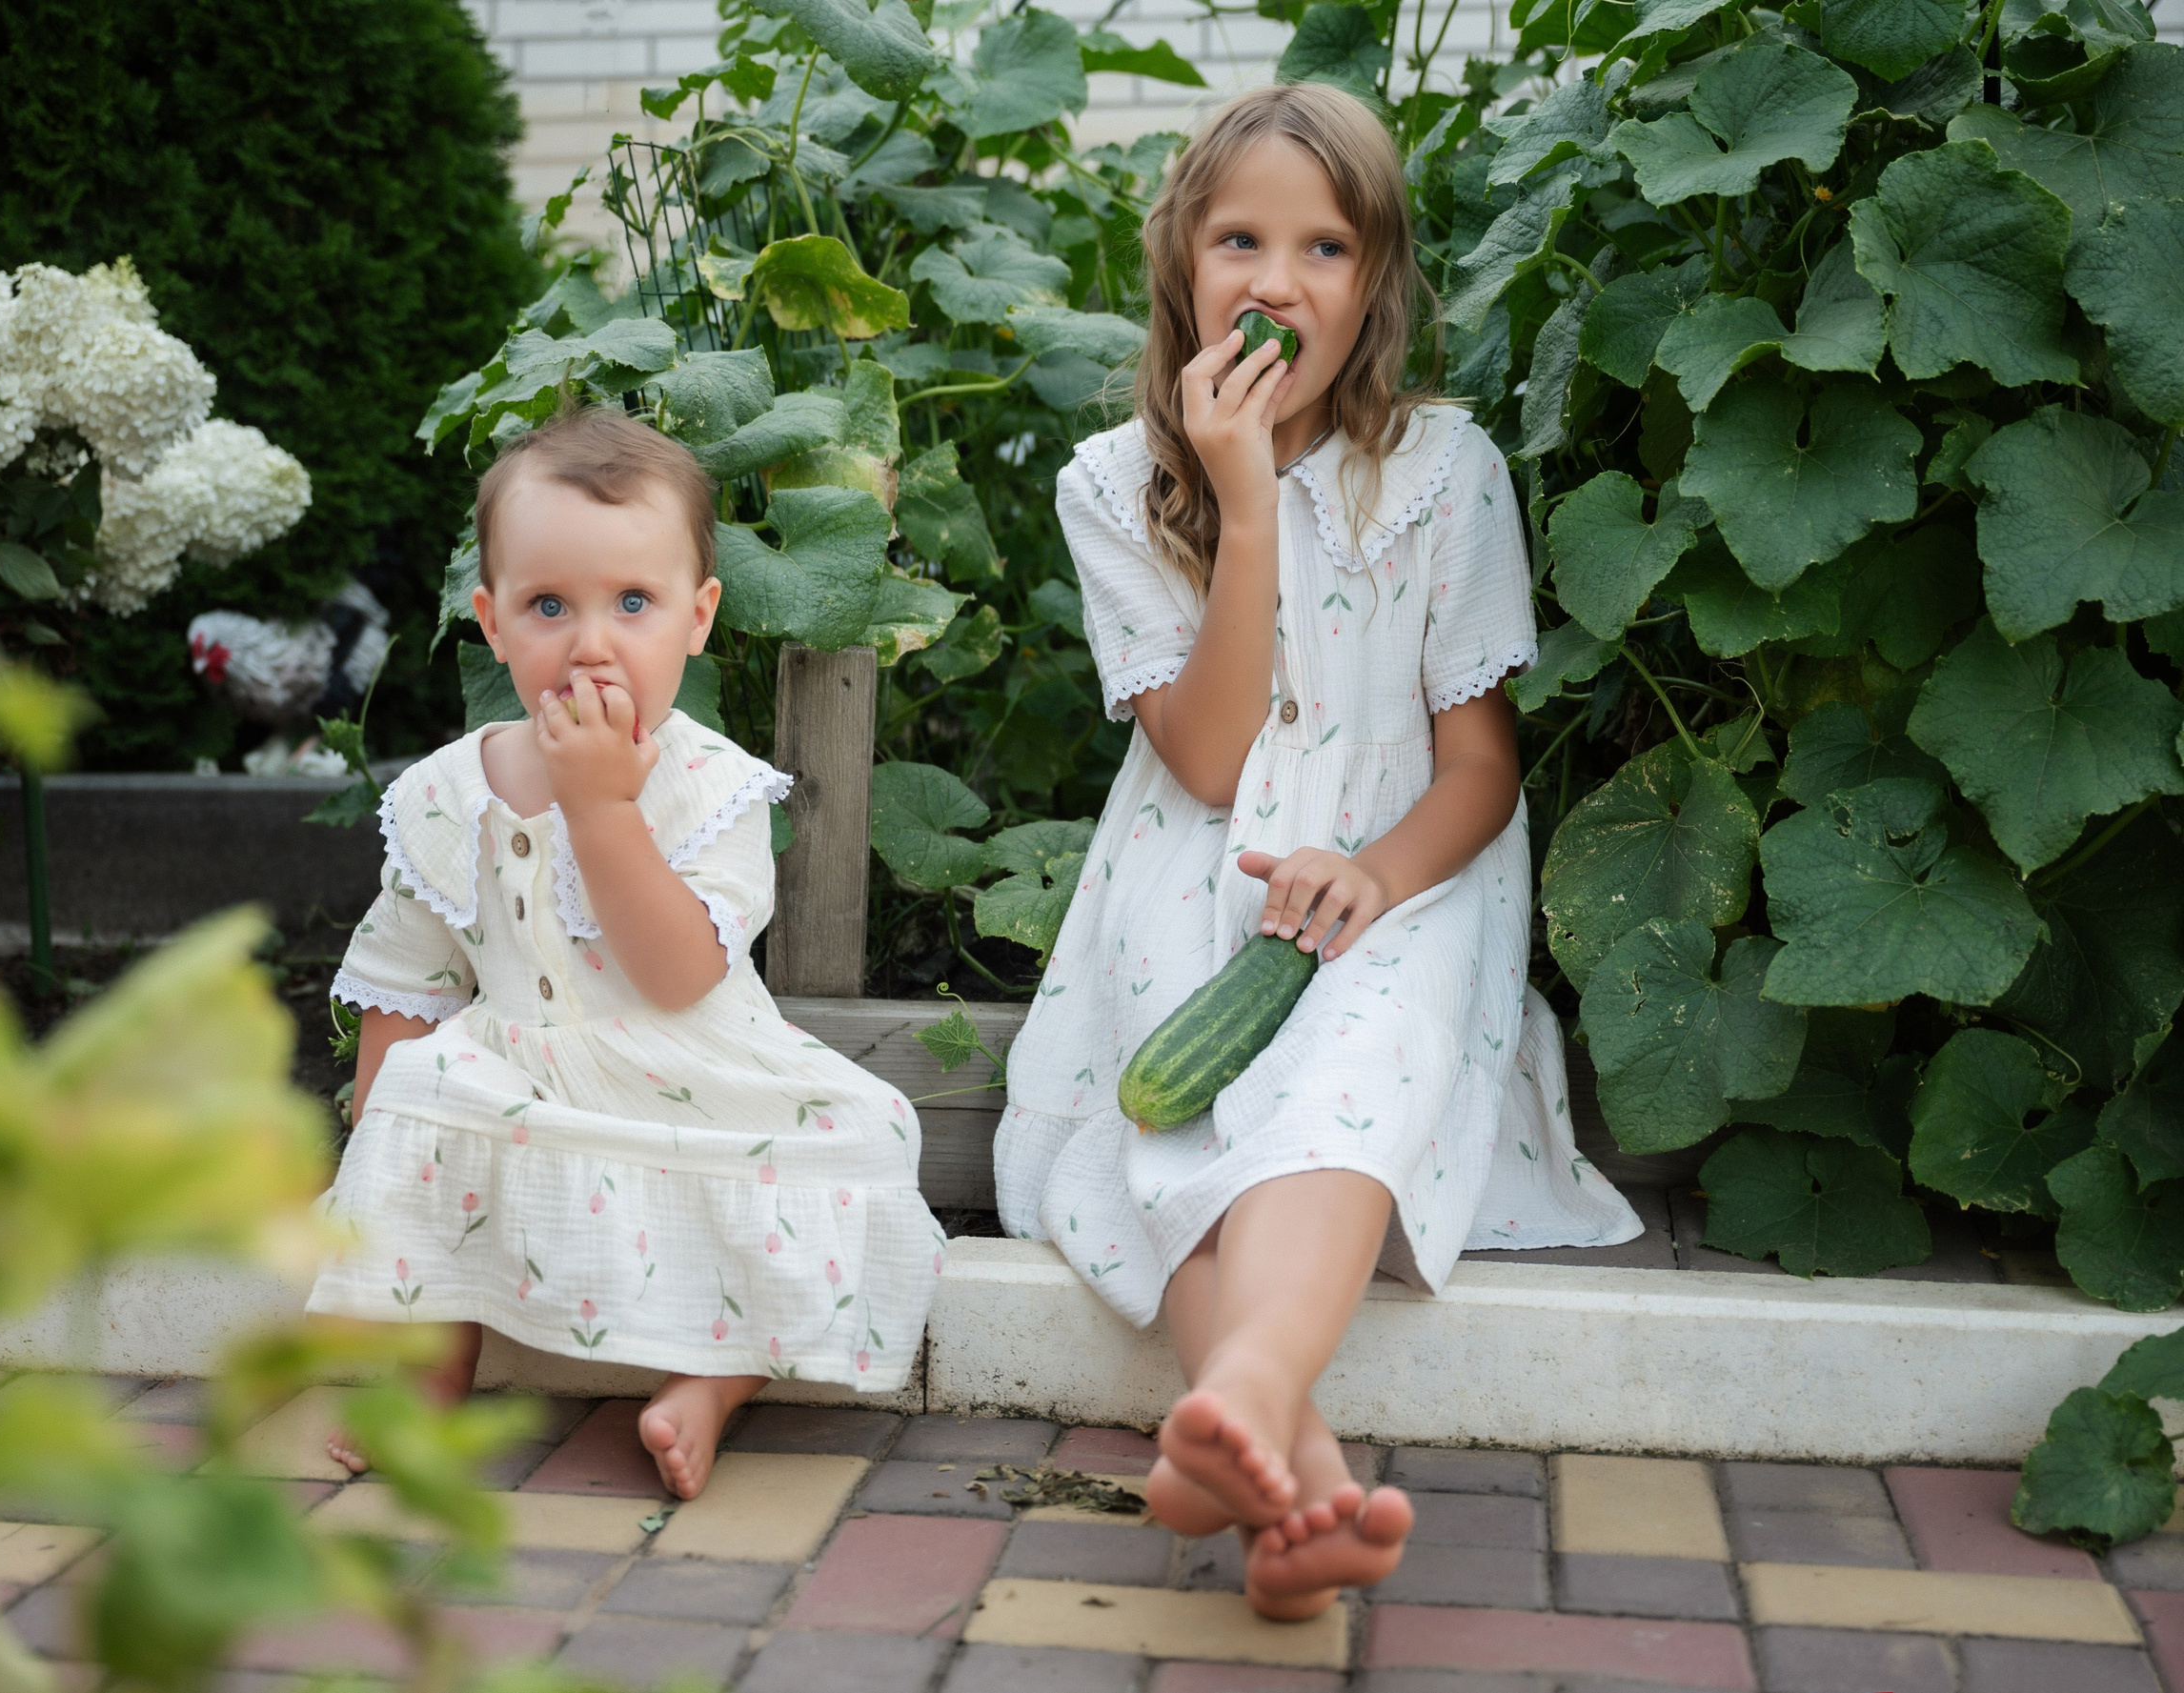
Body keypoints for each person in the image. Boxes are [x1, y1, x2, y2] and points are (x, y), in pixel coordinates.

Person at [997, 82, 1642, 1620]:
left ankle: (1243, 1402)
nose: (1277, 282)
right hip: (1194, 870)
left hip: (1399, 876)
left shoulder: (1443, 471)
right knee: (1165, 1123)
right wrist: (1241, 503)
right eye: (1240, 240)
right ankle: (1299, 1477)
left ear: (1376, 283)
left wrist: (1376, 874)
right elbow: (1214, 763)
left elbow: (1478, 768)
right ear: (1182, 263)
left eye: (1324, 248)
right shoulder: (1113, 484)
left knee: (1347, 1070)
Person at [308, 406, 944, 1499]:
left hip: (695, 1074)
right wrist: (381, 1173)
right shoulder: (445, 793)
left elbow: (680, 974)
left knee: (870, 1137)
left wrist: (602, 808)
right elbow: (405, 977)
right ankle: (429, 1373)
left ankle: (711, 1383)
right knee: (416, 1084)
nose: (591, 642)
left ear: (697, 617)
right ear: (492, 622)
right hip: (518, 1071)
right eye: (549, 605)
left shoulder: (709, 786)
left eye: (633, 603)